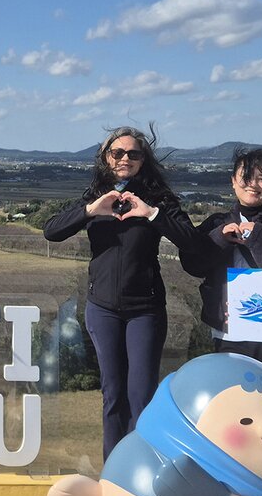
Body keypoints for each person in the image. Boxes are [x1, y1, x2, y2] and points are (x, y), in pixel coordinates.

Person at [43, 125, 203, 461]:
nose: (125, 158)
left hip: (144, 308)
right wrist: (91, 210)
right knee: (113, 392)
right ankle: (114, 471)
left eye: (134, 153)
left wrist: (152, 214)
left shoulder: (156, 198)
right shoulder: (96, 196)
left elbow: (191, 241)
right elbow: (52, 231)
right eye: (118, 153)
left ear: (144, 160)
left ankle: (139, 469)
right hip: (102, 308)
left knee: (141, 393)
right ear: (105, 157)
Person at [181, 148, 262, 395]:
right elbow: (192, 263)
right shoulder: (216, 222)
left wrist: (259, 236)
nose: (253, 185)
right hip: (228, 332)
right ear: (233, 182)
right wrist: (219, 239)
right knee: (233, 407)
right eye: (246, 178)